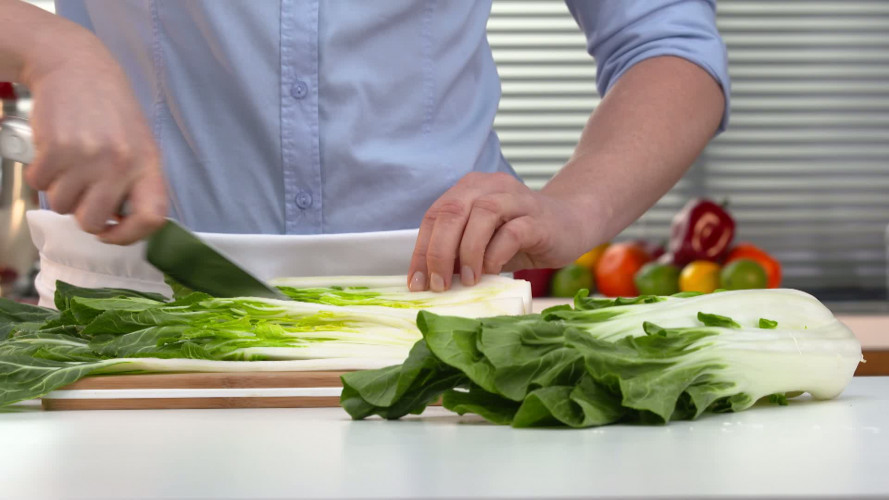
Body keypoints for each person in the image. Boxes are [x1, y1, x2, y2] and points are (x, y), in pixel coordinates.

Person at [0, 1, 728, 293]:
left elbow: (665, 41)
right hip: (141, 317)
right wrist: (50, 49)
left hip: (446, 316)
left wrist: (575, 207)